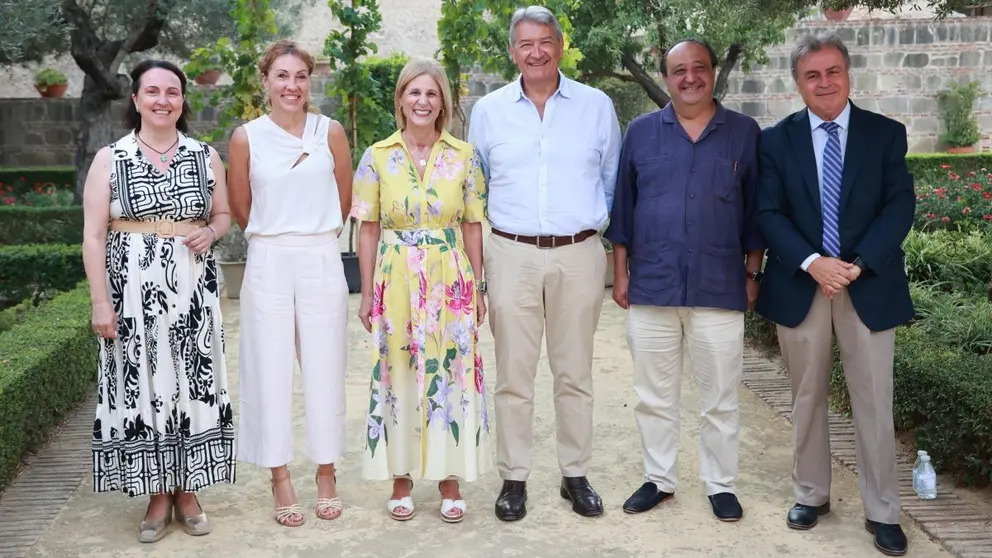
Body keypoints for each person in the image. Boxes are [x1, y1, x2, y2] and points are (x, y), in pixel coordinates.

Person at [754, 33, 914, 556]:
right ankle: (812, 494)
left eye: (832, 71)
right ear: (797, 83)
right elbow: (768, 213)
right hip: (802, 283)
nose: (824, 83)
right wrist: (813, 262)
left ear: (848, 74)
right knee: (806, 397)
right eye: (812, 75)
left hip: (867, 284)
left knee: (873, 401)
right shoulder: (776, 140)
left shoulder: (885, 134)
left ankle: (882, 510)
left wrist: (854, 266)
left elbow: (898, 208)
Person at [467, 5, 621, 521]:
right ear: (513, 52)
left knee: (574, 371)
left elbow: (611, 180)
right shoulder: (488, 111)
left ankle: (574, 474)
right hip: (510, 252)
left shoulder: (596, 105)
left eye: (545, 41)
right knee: (513, 372)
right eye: (525, 43)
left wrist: (589, 228)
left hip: (579, 252)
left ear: (560, 45)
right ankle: (514, 477)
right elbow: (477, 183)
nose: (536, 52)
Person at [605, 38, 764, 523]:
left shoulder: (744, 132)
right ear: (667, 77)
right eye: (679, 70)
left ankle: (720, 484)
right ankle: (659, 479)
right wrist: (619, 275)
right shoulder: (642, 132)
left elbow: (756, 212)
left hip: (720, 286)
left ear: (714, 72)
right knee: (654, 395)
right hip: (652, 284)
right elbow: (623, 210)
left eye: (699, 67)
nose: (689, 77)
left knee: (719, 396)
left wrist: (753, 275)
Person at [81, 59, 235, 543]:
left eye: (173, 91)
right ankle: (157, 494)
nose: (163, 100)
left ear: (183, 100)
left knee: (191, 386)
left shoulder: (204, 156)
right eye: (153, 91)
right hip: (131, 297)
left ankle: (188, 491)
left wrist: (211, 231)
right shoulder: (111, 157)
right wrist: (100, 303)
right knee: (145, 388)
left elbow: (225, 214)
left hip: (192, 294)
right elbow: (91, 237)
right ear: (135, 100)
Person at [352, 58, 491, 524]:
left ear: (443, 103)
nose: (423, 102)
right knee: (398, 372)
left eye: (432, 94)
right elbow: (367, 229)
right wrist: (368, 292)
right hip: (394, 278)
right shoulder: (375, 155)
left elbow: (473, 226)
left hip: (450, 277)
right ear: (401, 99)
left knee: (449, 371)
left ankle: (449, 478)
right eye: (414, 93)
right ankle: (401, 477)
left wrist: (479, 287)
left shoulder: (464, 155)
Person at [226, 39, 353, 528]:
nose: (292, 86)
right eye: (282, 76)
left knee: (325, 367)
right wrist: (276, 236)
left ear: (310, 80)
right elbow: (241, 207)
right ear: (266, 81)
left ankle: (326, 471)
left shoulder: (331, 132)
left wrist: (313, 233)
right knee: (268, 369)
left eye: (300, 76)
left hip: (321, 254)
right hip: (269, 258)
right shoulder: (247, 138)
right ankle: (279, 475)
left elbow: (343, 200)